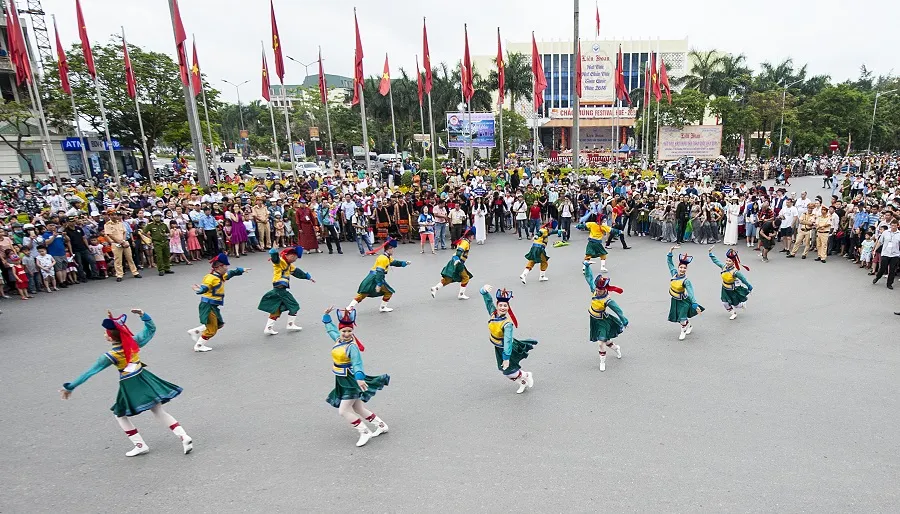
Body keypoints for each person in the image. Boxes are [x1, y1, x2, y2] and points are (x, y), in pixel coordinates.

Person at [59, 309, 192, 457]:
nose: (104, 334)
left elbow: (89, 372)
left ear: (110, 337)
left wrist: (70, 387)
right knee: (158, 411)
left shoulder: (111, 355)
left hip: (130, 386)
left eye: (106, 333)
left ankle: (140, 445)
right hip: (145, 379)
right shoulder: (133, 342)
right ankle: (183, 436)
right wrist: (143, 315)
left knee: (120, 415)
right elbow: (151, 329)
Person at [323, 307, 390, 447]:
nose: (347, 334)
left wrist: (359, 378)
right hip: (341, 379)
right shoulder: (338, 340)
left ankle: (364, 431)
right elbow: (330, 330)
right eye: (344, 331)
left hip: (351, 381)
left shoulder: (352, 347)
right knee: (358, 408)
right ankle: (381, 426)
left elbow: (357, 363)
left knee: (343, 411)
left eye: (349, 331)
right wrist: (326, 317)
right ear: (340, 331)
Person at [479, 284, 536, 394]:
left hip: (507, 349)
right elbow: (488, 302)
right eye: (500, 305)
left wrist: (506, 358)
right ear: (497, 306)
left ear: (508, 308)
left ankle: (526, 375)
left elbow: (508, 341)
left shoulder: (507, 324)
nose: (502, 307)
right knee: (505, 371)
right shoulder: (493, 314)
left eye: (505, 305)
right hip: (498, 347)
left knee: (509, 371)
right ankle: (523, 382)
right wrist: (484, 291)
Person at [187, 253, 249, 352]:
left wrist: (241, 270)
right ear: (219, 266)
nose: (227, 268)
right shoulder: (210, 277)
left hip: (213, 306)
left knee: (219, 324)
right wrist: (200, 289)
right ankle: (199, 345)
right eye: (225, 266)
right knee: (212, 330)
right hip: (208, 306)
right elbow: (205, 287)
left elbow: (231, 273)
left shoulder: (221, 276)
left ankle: (195, 331)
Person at [258, 246, 315, 335]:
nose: (295, 260)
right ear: (289, 255)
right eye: (294, 258)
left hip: (279, 290)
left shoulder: (289, 265)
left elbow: (297, 272)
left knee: (276, 310)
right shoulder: (281, 262)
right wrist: (274, 251)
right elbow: (275, 259)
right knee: (294, 305)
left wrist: (307, 277)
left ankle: (268, 328)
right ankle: (290, 324)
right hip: (280, 290)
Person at [582, 263, 627, 371]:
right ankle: (616, 348)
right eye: (597, 289)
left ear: (604, 289)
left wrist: (624, 320)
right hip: (593, 319)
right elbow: (589, 278)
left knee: (600, 342)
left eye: (599, 290)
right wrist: (587, 267)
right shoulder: (595, 290)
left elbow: (618, 310)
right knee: (606, 341)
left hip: (603, 321)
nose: (597, 291)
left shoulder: (607, 300)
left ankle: (602, 362)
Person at [346, 238, 410, 313]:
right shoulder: (383, 258)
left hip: (373, 277)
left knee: (364, 293)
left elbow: (394, 262)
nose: (393, 250)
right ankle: (382, 307)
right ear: (389, 248)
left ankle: (349, 307)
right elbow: (379, 271)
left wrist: (404, 263)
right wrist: (379, 284)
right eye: (393, 249)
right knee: (388, 292)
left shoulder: (386, 257)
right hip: (376, 277)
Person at [666, 248, 704, 340]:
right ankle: (689, 325)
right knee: (680, 318)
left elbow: (691, 292)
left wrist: (694, 304)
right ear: (678, 267)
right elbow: (670, 263)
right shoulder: (674, 274)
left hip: (683, 301)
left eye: (684, 268)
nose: (682, 269)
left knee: (682, 319)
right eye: (681, 267)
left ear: (686, 269)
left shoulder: (686, 281)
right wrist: (670, 252)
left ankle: (682, 332)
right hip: (675, 300)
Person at [430, 227, 475, 300]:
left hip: (455, 261)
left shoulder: (463, 241)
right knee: (466, 277)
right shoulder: (465, 242)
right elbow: (459, 251)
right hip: (458, 262)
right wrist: (457, 259)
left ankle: (435, 288)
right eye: (473, 236)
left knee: (449, 279)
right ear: (469, 236)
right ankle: (461, 294)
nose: (473, 238)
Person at [708, 247, 753, 320]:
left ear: (733, 262)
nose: (727, 262)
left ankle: (742, 305)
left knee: (736, 305)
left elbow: (743, 279)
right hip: (724, 288)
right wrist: (710, 253)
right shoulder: (723, 267)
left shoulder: (735, 272)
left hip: (732, 290)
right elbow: (716, 261)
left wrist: (749, 286)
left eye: (729, 261)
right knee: (724, 303)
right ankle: (733, 313)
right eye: (727, 260)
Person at [872, 219, 900, 290]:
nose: (893, 227)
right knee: (883, 268)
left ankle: (889, 283)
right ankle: (877, 277)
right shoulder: (885, 232)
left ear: (897, 226)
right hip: (885, 253)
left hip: (895, 254)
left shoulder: (899, 234)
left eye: (895, 226)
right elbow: (880, 242)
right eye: (892, 225)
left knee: (892, 270)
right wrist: (875, 250)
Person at [145, 211, 173, 276]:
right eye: (156, 216)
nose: (157, 218)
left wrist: (166, 235)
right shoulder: (150, 225)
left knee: (166, 255)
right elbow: (144, 232)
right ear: (153, 217)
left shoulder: (164, 225)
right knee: (159, 256)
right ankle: (161, 269)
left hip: (165, 241)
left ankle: (167, 268)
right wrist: (151, 238)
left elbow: (168, 232)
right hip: (157, 242)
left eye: (158, 216)